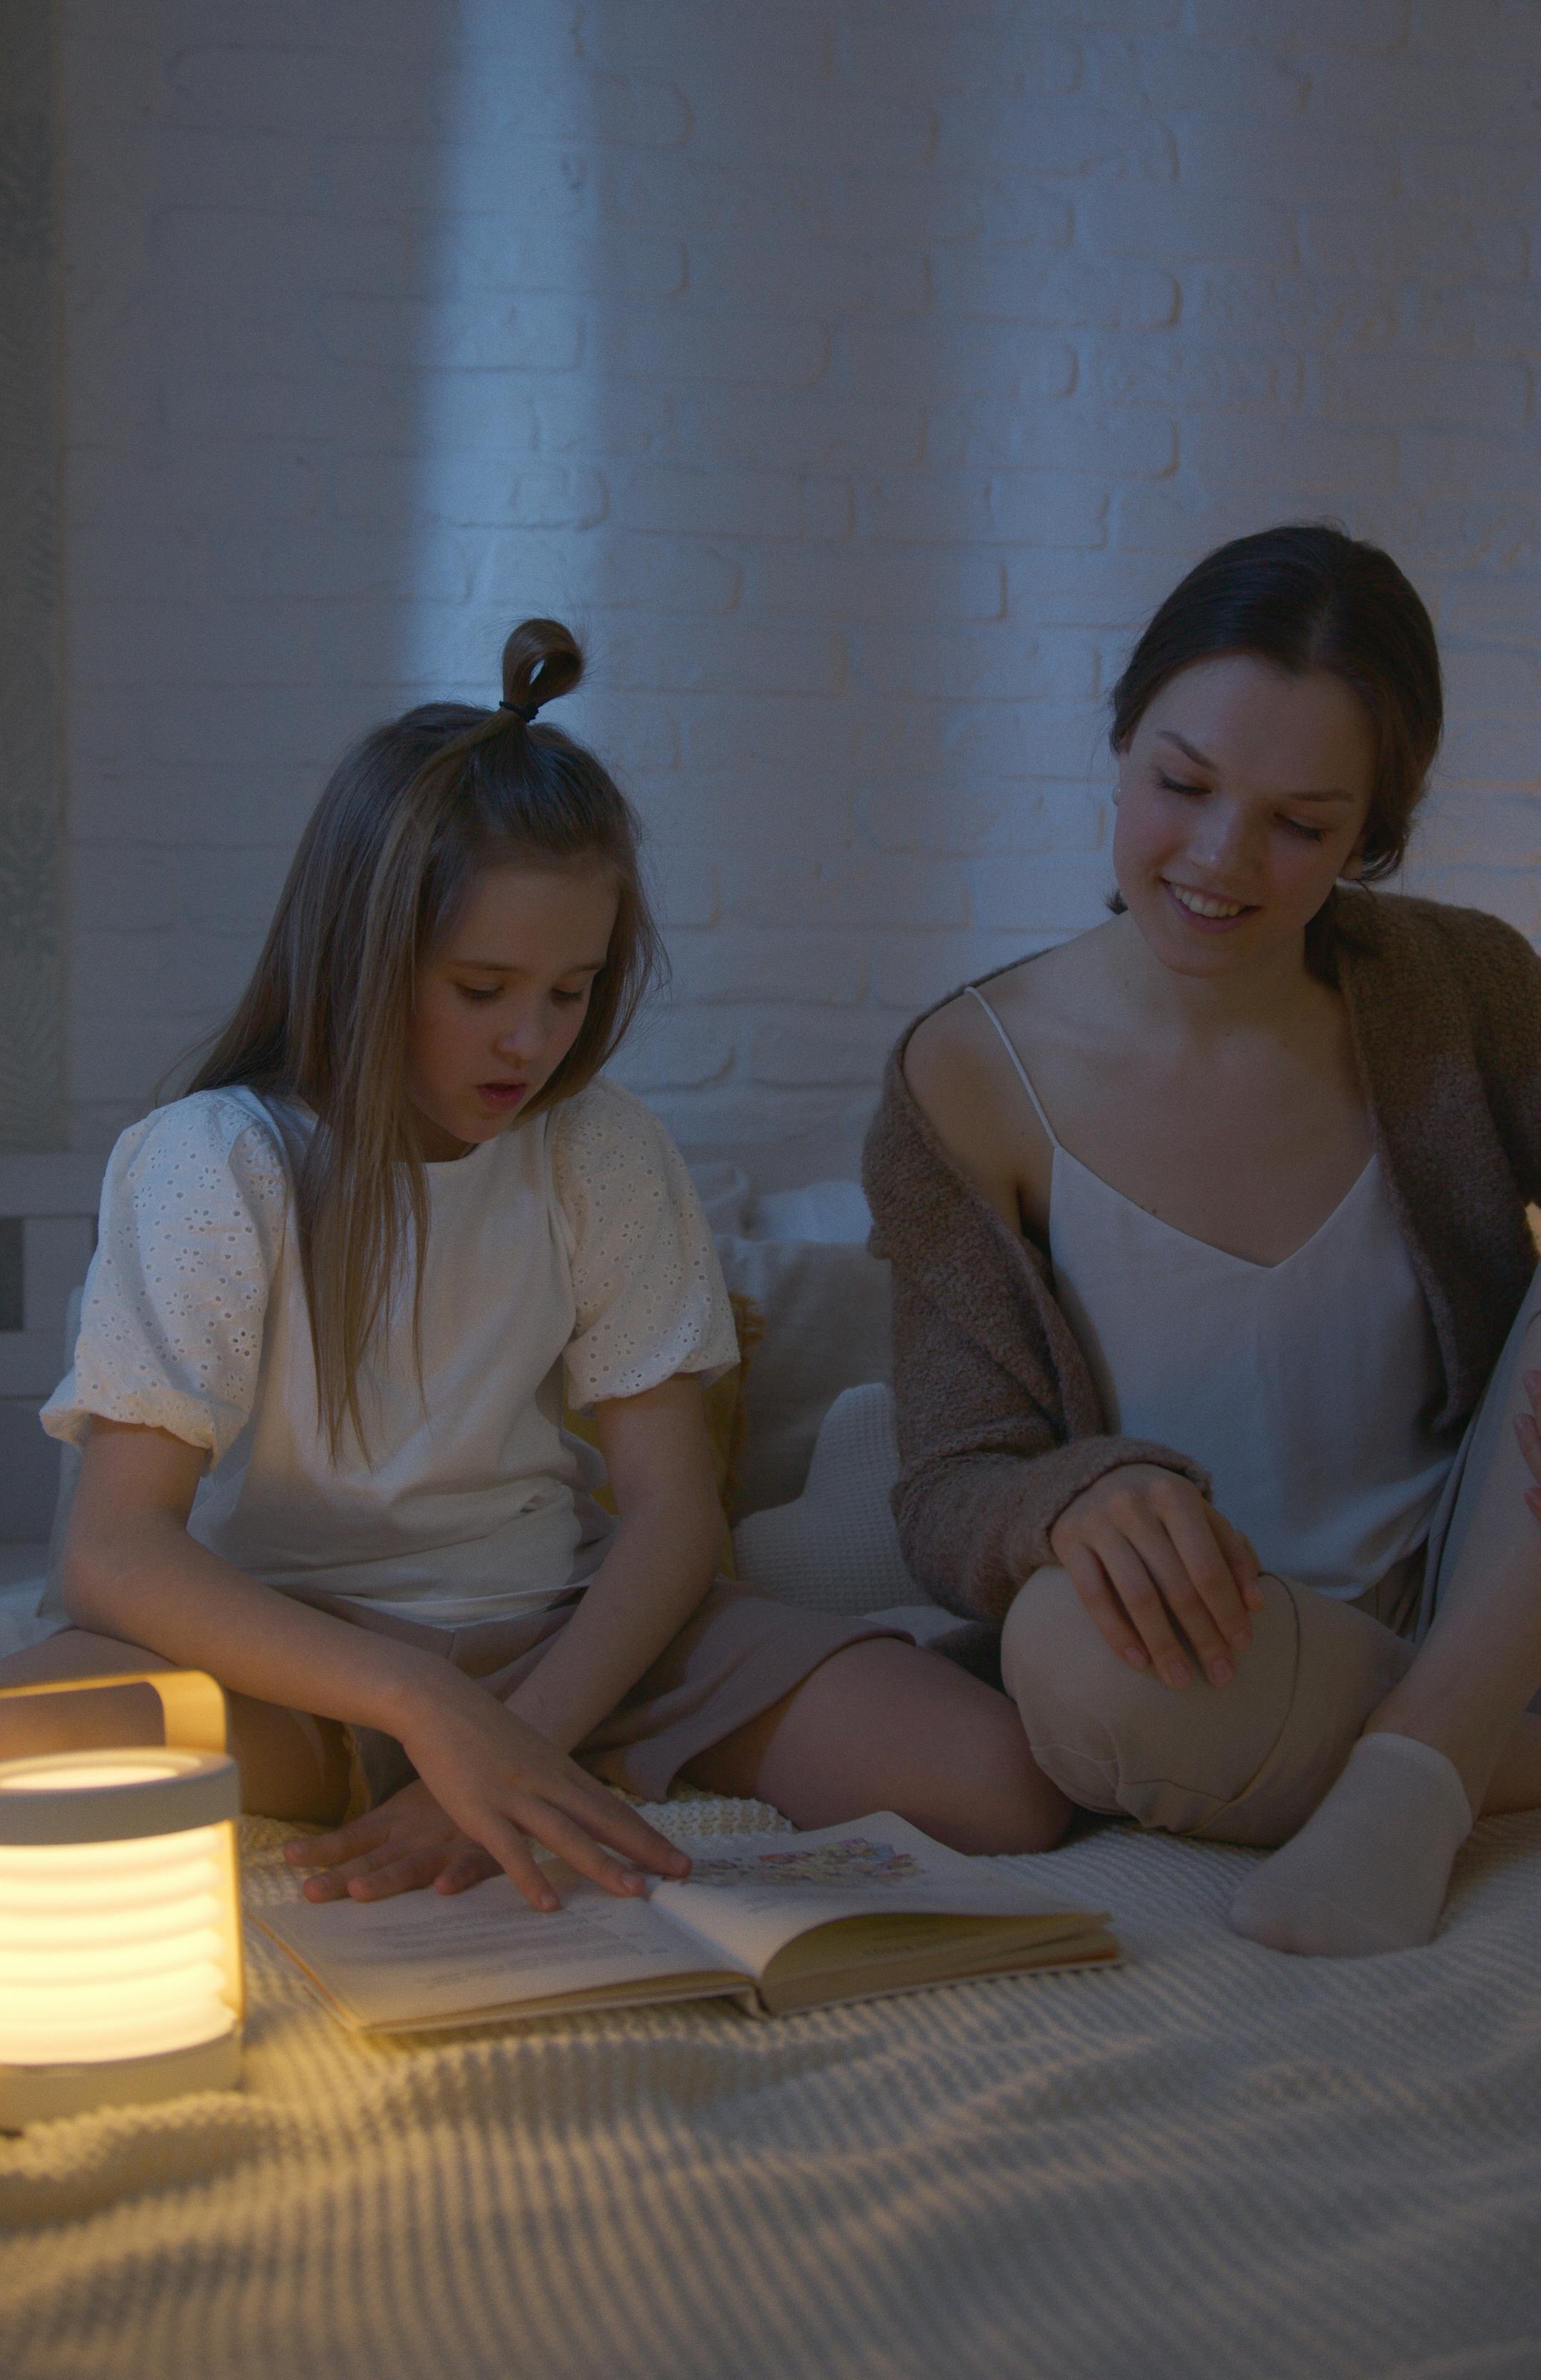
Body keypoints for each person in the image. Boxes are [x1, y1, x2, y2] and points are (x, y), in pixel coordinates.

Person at [1, 619, 1061, 1913]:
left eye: (571, 991)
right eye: (483, 988)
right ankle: (403, 1758)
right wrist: (427, 1707)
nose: (532, 1042)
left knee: (1001, 1782)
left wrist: (524, 1738)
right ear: (362, 955)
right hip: (298, 1663)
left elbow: (672, 1516)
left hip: (571, 1641)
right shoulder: (214, 1160)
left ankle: (511, 1757)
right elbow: (115, 1553)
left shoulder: (600, 1148)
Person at [867, 525, 1541, 1957]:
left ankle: (1422, 1768)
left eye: (1302, 824)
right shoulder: (967, 1078)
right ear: (1123, 744)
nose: (1221, 859)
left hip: (1496, 1589)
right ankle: (1464, 1748)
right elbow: (946, 1486)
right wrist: (1074, 1500)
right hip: (1231, 1654)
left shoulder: (1468, 989)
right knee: (1062, 1660)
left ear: (1370, 836)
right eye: (1183, 785)